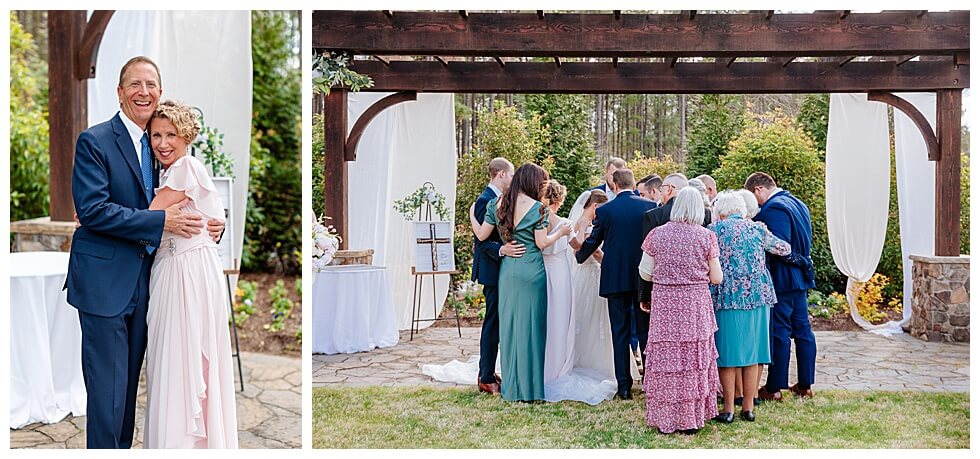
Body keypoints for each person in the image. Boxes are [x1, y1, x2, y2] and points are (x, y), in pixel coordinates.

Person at [65, 56, 223, 449]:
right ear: (120, 93)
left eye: (151, 84)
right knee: (107, 395)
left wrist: (209, 224)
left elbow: (183, 199)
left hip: (151, 284)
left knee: (129, 391)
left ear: (160, 92)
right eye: (134, 84)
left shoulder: (160, 147)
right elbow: (94, 211)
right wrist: (160, 222)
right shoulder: (95, 141)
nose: (143, 91)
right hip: (105, 285)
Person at [142, 101, 238, 448]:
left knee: (180, 364)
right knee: (172, 363)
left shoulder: (185, 168)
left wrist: (92, 214)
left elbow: (147, 215)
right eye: (156, 135)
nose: (163, 143)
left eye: (171, 135)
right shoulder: (170, 172)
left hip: (186, 275)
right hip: (175, 270)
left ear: (186, 137)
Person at [470, 163, 571, 402]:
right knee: (532, 329)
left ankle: (512, 389)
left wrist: (471, 216)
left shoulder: (498, 204)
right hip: (531, 270)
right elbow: (542, 243)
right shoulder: (538, 208)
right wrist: (562, 232)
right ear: (533, 183)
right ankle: (531, 390)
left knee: (510, 328)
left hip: (508, 270)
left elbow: (482, 235)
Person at [638, 187, 723, 435]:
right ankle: (690, 420)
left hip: (665, 303)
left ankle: (666, 418)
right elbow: (716, 277)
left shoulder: (657, 234)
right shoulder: (706, 237)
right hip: (694, 304)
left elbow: (645, 272)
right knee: (692, 360)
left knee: (668, 359)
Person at [707, 191, 792, 424]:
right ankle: (748, 407)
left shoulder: (714, 231)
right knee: (752, 352)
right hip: (757, 296)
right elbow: (783, 248)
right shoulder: (757, 228)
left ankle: (728, 410)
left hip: (728, 296)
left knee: (727, 354)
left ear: (721, 212)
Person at [575, 169, 656, 400]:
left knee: (619, 333)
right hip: (643, 279)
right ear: (631, 184)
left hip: (615, 279)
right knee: (645, 331)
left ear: (615, 185)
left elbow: (594, 239)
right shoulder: (649, 207)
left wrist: (580, 257)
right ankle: (650, 382)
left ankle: (624, 387)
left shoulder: (607, 210)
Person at [541, 182, 618, 405]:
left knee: (592, 318)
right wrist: (604, 258)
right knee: (587, 316)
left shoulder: (579, 222)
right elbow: (581, 250)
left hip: (590, 273)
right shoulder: (581, 223)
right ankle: (583, 359)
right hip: (586, 273)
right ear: (594, 206)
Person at [745, 172, 817, 401]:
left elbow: (780, 247)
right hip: (798, 279)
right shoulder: (797, 203)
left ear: (758, 189)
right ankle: (805, 384)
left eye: (753, 197)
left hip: (783, 279)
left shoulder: (774, 208)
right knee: (803, 330)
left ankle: (774, 387)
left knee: (780, 332)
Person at [471, 158, 526, 395]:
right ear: (501, 174)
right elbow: (481, 243)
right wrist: (502, 250)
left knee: (498, 322)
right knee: (492, 324)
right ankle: (485, 376)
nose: (513, 180)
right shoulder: (485, 201)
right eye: (512, 175)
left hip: (501, 270)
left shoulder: (496, 200)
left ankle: (490, 371)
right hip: (492, 271)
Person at [638, 174, 712, 316]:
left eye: (662, 188)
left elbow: (647, 260)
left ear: (670, 189)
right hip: (697, 292)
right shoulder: (705, 213)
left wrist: (645, 295)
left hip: (662, 290)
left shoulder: (654, 216)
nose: (661, 193)